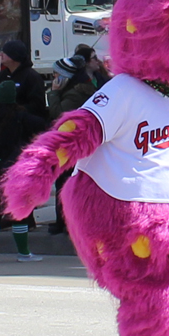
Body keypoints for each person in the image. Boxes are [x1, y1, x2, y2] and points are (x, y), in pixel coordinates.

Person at [0, 81, 45, 263]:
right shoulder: (20, 116)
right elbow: (44, 127)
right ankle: (23, 253)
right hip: (14, 168)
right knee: (18, 209)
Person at [47, 55, 100, 234]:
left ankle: (63, 222)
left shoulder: (73, 94)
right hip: (80, 146)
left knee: (64, 183)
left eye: (56, 75)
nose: (54, 78)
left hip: (70, 146)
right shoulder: (83, 90)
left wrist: (53, 93)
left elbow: (59, 115)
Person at [0, 40, 47, 126]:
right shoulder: (2, 75)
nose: (0, 55)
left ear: (14, 56)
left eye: (4, 53)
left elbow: (37, 105)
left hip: (22, 125)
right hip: (1, 123)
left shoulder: (31, 77)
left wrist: (15, 112)